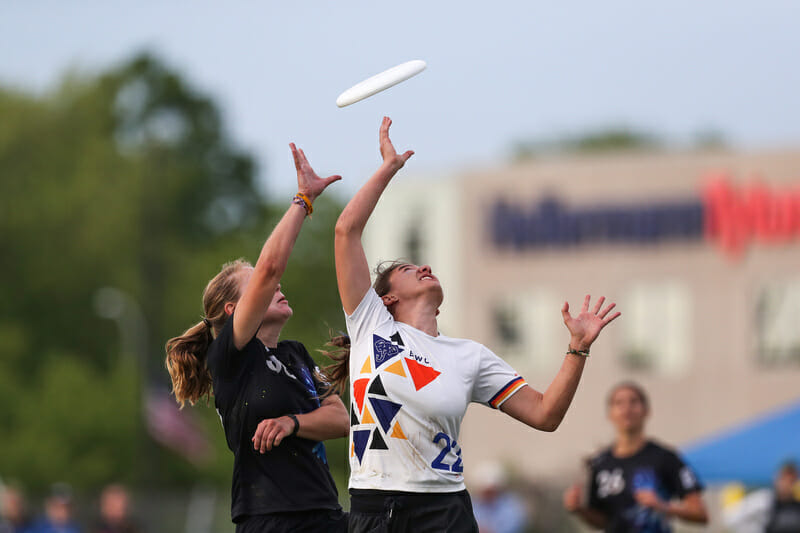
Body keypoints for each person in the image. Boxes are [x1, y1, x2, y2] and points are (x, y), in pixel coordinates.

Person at [331, 116, 620, 532]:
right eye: (410, 268)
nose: (425, 266)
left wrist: (578, 348)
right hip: (377, 508)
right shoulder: (371, 324)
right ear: (387, 297)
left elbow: (545, 414)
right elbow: (346, 231)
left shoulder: (468, 356)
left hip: (446, 510)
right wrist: (388, 168)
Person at [165, 143, 349, 532]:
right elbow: (269, 267)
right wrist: (303, 200)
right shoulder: (231, 355)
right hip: (270, 520)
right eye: (257, 290)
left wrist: (292, 423)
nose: (275, 284)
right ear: (234, 312)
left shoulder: (295, 354)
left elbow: (339, 418)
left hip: (325, 513)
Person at [563, 381, 708, 532]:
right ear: (609, 414)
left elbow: (700, 514)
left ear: (647, 411)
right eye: (619, 403)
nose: (627, 409)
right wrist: (579, 510)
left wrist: (663, 506)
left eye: (634, 401)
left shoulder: (665, 457)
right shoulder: (599, 464)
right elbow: (605, 521)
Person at [470, 462, 528, 533]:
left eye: (491, 490)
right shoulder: (472, 506)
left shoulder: (512, 506)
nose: (488, 494)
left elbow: (514, 526)